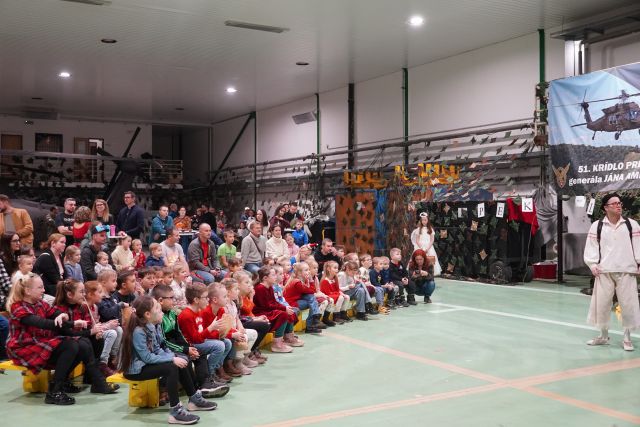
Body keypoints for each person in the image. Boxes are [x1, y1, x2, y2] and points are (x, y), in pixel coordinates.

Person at [6, 273, 117, 405]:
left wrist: (62, 315)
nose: (44, 290)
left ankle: (93, 382)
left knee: (83, 343)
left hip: (41, 342)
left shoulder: (40, 303)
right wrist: (73, 323)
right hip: (23, 347)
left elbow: (55, 312)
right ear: (28, 291)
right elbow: (43, 323)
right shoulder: (18, 307)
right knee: (71, 345)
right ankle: (54, 391)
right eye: (40, 287)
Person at [120, 295, 217, 424]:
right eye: (157, 309)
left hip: (146, 364)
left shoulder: (155, 325)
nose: (161, 311)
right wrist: (172, 359)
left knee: (180, 361)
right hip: (135, 370)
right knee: (172, 367)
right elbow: (147, 357)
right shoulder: (139, 331)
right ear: (148, 314)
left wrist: (174, 357)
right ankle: (175, 412)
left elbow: (160, 348)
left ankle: (194, 399)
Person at [583, 193, 640, 352]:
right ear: (605, 208)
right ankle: (603, 336)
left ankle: (627, 338)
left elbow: (638, 245)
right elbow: (592, 246)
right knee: (601, 305)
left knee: (628, 305)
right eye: (614, 203)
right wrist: (592, 264)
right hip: (604, 270)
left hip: (626, 270)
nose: (618, 205)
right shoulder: (597, 226)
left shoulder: (632, 225)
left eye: (619, 203)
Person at [153, 284, 229, 398]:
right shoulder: (160, 317)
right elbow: (164, 342)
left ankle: (203, 383)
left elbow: (179, 334)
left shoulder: (172, 313)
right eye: (171, 298)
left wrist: (188, 348)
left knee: (198, 353)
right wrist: (186, 349)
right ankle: (193, 388)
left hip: (177, 345)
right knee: (186, 357)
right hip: (165, 349)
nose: (174, 301)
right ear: (160, 301)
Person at [178, 283, 233, 384]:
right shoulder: (186, 315)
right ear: (196, 300)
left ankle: (216, 369)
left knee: (226, 342)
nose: (208, 300)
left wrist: (220, 332)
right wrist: (211, 328)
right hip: (191, 345)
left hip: (200, 341)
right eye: (205, 298)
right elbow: (195, 339)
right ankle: (210, 374)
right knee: (219, 345)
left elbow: (201, 335)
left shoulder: (198, 311)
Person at [252, 266, 300, 352]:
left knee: (290, 312)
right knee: (283, 314)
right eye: (273, 275)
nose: (276, 277)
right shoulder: (260, 288)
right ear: (265, 278)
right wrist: (283, 308)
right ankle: (277, 343)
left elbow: (274, 302)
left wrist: (285, 307)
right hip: (261, 312)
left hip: (268, 310)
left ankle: (288, 337)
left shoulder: (270, 287)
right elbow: (266, 306)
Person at [234, 271, 269, 363]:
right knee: (263, 326)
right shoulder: (237, 298)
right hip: (238, 324)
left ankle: (252, 351)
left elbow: (244, 314)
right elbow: (247, 310)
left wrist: (255, 318)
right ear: (238, 284)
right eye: (246, 283)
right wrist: (252, 297)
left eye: (250, 283)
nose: (250, 285)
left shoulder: (242, 296)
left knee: (265, 323)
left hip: (243, 321)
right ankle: (250, 353)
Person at [33, 233, 66, 298]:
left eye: (65, 243)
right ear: (53, 243)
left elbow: (64, 275)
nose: (64, 245)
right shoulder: (46, 257)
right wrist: (68, 284)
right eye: (62, 242)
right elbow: (54, 279)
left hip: (57, 288)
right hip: (46, 291)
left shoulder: (60, 256)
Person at [410, 211, 442, 276]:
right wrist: (421, 248)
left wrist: (427, 248)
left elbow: (432, 240)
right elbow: (417, 240)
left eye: (425, 220)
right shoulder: (418, 229)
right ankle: (418, 271)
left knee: (429, 258)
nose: (424, 221)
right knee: (418, 257)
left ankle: (429, 272)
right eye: (422, 220)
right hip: (420, 246)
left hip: (428, 246)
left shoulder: (430, 229)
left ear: (428, 220)